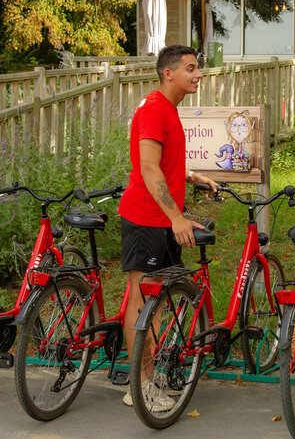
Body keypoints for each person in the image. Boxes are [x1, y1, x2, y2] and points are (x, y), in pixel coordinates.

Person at [117, 45, 218, 409]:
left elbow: (160, 160)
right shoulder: (157, 110)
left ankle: (148, 377)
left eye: (198, 68)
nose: (199, 74)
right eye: (191, 68)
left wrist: (190, 176)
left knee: (154, 303)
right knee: (143, 302)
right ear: (168, 73)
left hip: (159, 218)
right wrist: (177, 217)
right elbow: (147, 167)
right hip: (147, 218)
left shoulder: (166, 110)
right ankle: (139, 386)